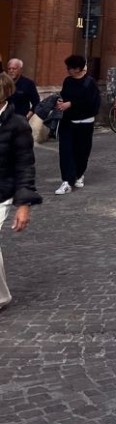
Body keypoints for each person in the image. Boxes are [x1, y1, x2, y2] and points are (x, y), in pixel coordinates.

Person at [0, 72, 41, 310]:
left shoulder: (18, 125)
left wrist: (23, 205)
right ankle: (2, 296)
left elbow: (25, 165)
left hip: (3, 191)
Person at [55, 54, 101, 193]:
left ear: (78, 69)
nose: (68, 70)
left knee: (82, 151)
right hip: (68, 122)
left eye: (70, 68)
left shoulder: (90, 83)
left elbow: (92, 103)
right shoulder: (68, 81)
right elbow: (64, 95)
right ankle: (66, 182)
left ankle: (79, 174)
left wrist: (72, 104)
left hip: (85, 122)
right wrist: (60, 101)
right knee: (66, 151)